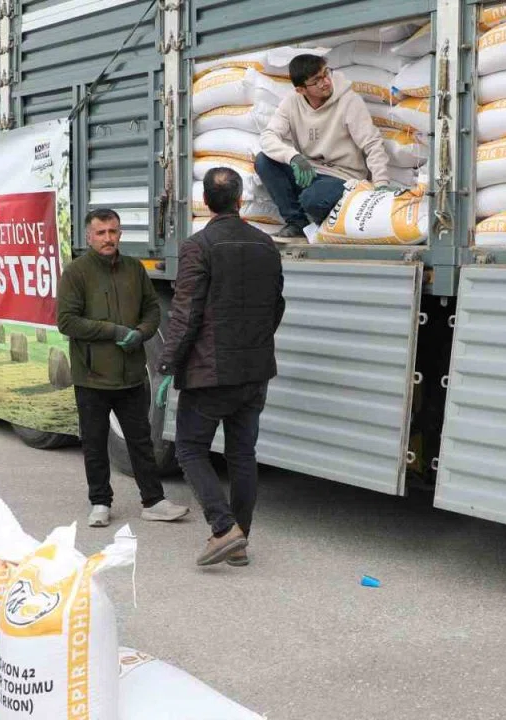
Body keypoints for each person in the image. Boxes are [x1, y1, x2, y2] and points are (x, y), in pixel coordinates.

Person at [156, 168, 285, 567]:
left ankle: (223, 528)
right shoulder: (266, 244)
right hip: (255, 370)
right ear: (240, 200)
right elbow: (276, 305)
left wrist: (167, 361)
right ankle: (239, 541)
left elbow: (186, 313)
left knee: (189, 448)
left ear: (206, 202)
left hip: (211, 372)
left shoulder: (199, 246)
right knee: (242, 454)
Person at [57, 208, 190, 528]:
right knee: (94, 442)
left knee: (141, 441)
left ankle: (153, 501)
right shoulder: (76, 273)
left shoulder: (134, 269)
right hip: (92, 376)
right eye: (101, 233)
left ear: (120, 234)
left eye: (113, 232)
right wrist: (114, 332)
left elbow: (152, 310)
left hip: (131, 375)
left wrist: (141, 333)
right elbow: (67, 321)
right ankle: (100, 502)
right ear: (89, 236)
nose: (108, 238)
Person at [256, 53, 394, 239]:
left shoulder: (349, 101)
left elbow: (372, 143)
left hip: (343, 178)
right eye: (316, 81)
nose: (326, 82)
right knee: (264, 161)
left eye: (325, 74)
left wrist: (381, 184)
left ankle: (325, 226)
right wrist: (293, 157)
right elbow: (268, 136)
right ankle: (297, 223)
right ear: (301, 90)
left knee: (312, 199)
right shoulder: (291, 103)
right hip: (308, 172)